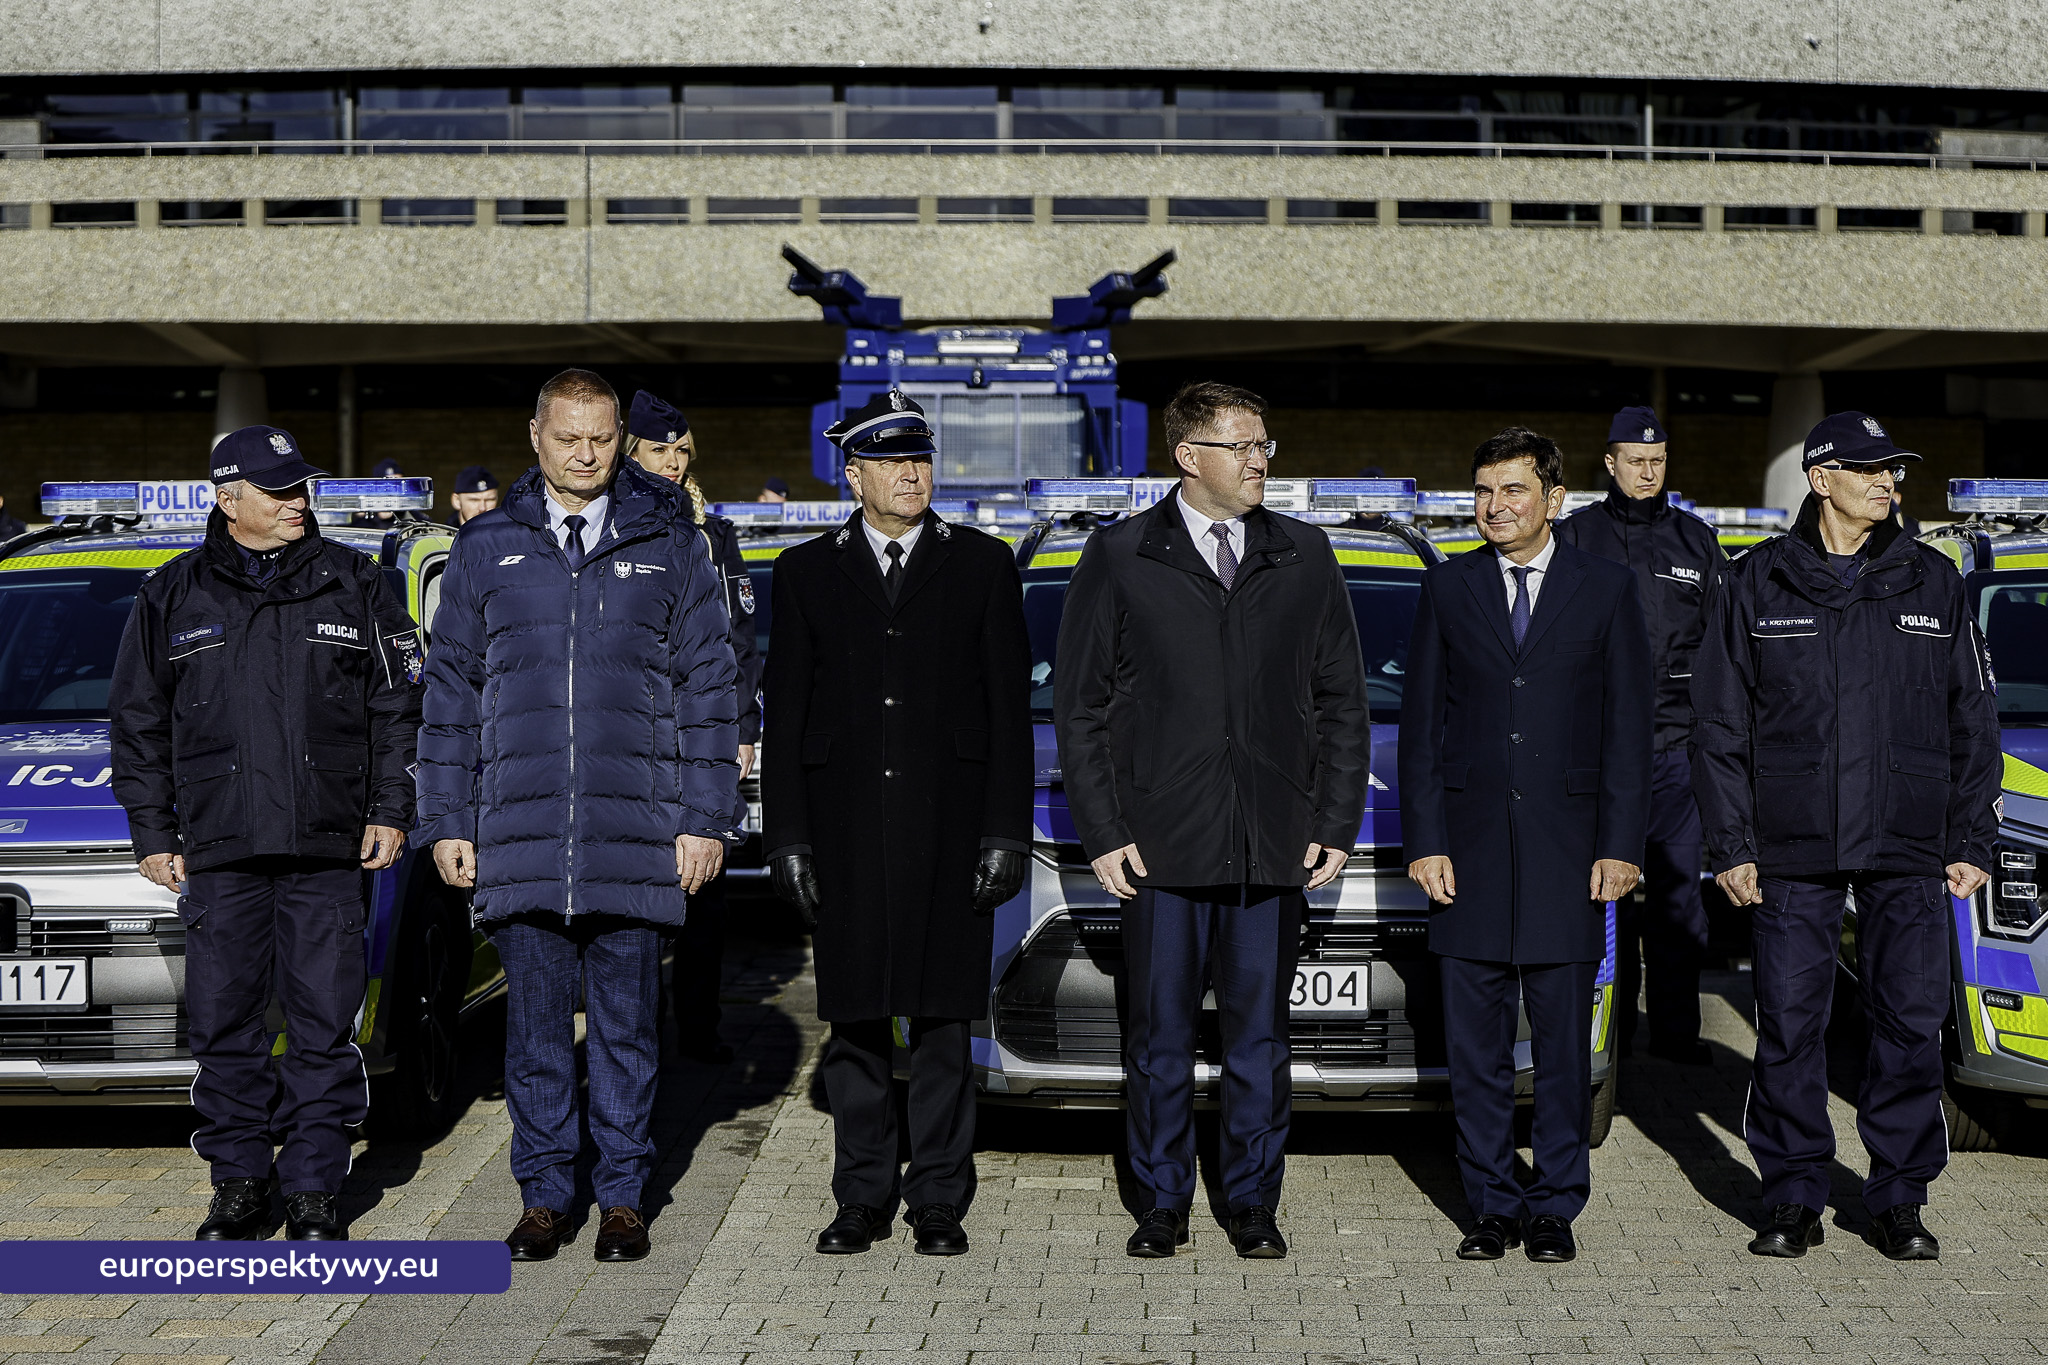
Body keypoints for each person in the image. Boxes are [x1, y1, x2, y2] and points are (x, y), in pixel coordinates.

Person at [413, 368, 740, 1264]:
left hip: (638, 833)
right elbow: (450, 694)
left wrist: (707, 816)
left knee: (629, 1035)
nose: (587, 454)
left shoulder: (669, 541)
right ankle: (546, 1194)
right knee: (535, 1039)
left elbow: (709, 689)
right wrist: (446, 818)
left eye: (601, 437)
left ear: (619, 438)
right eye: (569, 437)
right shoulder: (486, 547)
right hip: (519, 835)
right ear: (536, 436)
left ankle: (624, 1196)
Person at [1054, 380, 1371, 1261]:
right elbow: (1080, 709)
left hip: (1271, 844)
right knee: (1156, 1043)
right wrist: (1106, 827)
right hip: (1160, 848)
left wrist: (1335, 818)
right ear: (1190, 458)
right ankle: (1162, 1201)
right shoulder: (1122, 556)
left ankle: (1253, 1204)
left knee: (1260, 1044)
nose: (1264, 459)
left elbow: (1343, 702)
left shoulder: (1303, 555)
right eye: (1246, 446)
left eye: (1267, 444)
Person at [1691, 411, 1999, 1262]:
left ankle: (1898, 1196)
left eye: (1893, 469)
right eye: (1868, 469)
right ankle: (1792, 1194)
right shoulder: (1755, 582)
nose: (1887, 481)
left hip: (1911, 842)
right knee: (1791, 1023)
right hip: (1792, 845)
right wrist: (1731, 844)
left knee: (1908, 1021)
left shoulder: (1934, 582)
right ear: (1821, 479)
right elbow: (1719, 727)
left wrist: (1970, 836)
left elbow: (1973, 721)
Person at [109, 424, 422, 1243]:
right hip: (221, 848)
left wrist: (390, 808)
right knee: (225, 1024)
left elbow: (400, 709)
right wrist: (153, 829)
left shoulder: (358, 582)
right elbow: (139, 723)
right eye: (279, 490)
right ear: (228, 497)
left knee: (323, 1025)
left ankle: (315, 1187)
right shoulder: (171, 593)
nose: (298, 502)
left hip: (328, 845)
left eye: (302, 487)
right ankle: (241, 1182)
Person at [762, 389, 1031, 1258]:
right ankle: (862, 1196)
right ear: (855, 474)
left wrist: (1004, 834)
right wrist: (788, 839)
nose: (911, 473)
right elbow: (787, 714)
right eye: (891, 460)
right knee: (856, 1027)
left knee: (945, 1024)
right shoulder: (806, 572)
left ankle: (941, 1200)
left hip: (950, 829)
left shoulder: (984, 564)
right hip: (843, 831)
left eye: (920, 458)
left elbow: (1005, 717)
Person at [1400, 426, 1653, 1265]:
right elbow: (1422, 729)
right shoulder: (1447, 587)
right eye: (1483, 491)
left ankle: (1554, 1204)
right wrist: (1426, 840)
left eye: (1512, 490)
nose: (1494, 506)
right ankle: (1489, 1204)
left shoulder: (1607, 589)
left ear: (1555, 499)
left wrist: (1621, 844)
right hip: (1466, 857)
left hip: (1569, 854)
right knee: (1471, 1049)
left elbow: (1628, 732)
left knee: (1559, 1049)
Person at [1555, 406, 1724, 1064]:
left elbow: (1724, 646)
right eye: (1636, 461)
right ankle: (1612, 1031)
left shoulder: (1696, 542)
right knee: (1604, 895)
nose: (1648, 472)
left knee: (1681, 901)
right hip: (1598, 755)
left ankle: (1678, 1036)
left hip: (1678, 753)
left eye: (1657, 461)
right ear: (1610, 463)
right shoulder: (1574, 538)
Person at [624, 390, 762, 1064]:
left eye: (682, 452)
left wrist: (740, 727)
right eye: (660, 450)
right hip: (629, 743)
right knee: (635, 905)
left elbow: (740, 642)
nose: (674, 462)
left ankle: (699, 1031)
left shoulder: (714, 536)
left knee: (706, 899)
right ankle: (636, 1034)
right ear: (632, 452)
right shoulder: (607, 527)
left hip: (697, 742)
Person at [350, 458, 405, 529]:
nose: (392, 490)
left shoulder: (409, 516)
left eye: (398, 484)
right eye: (386, 485)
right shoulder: (363, 520)